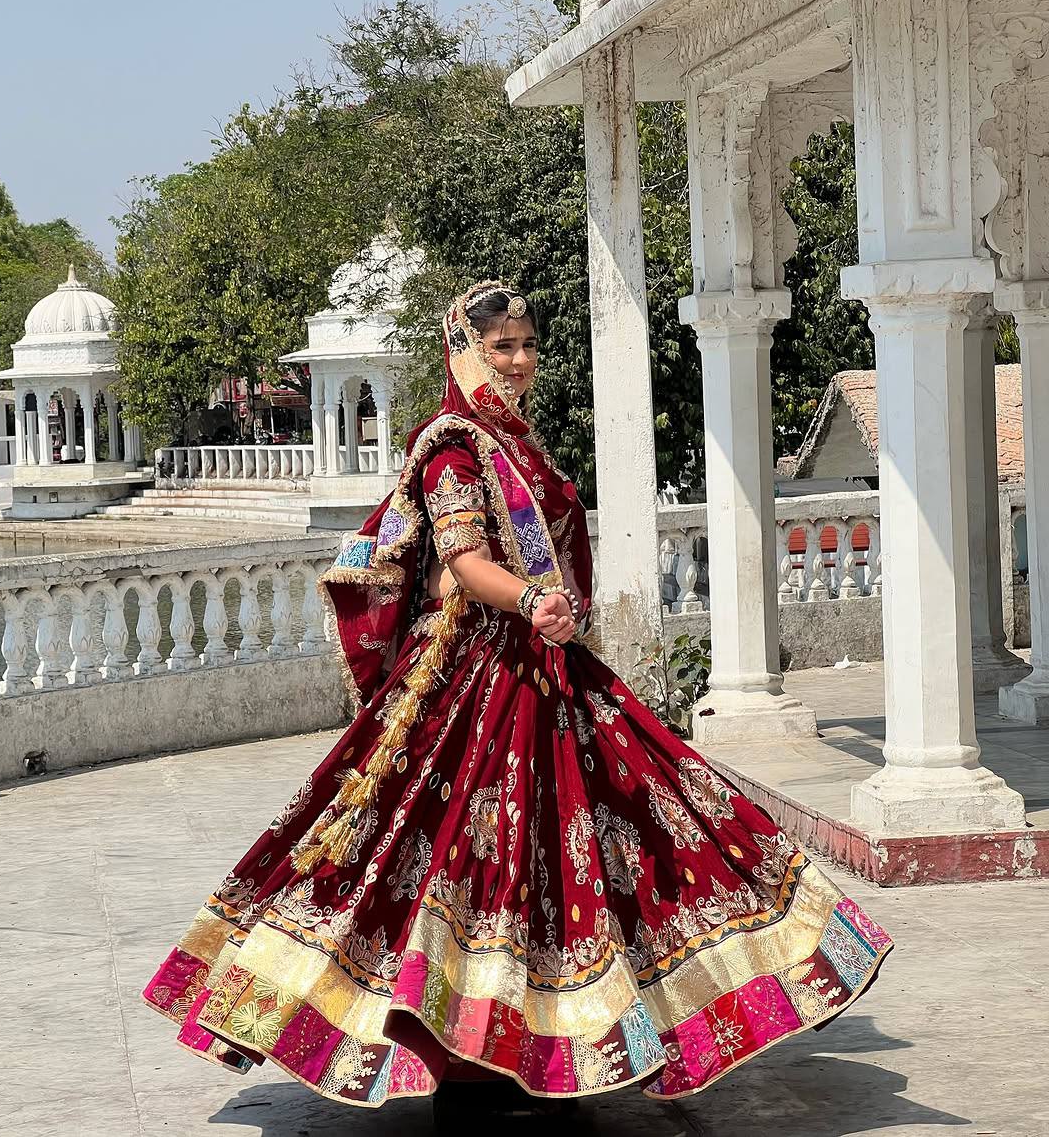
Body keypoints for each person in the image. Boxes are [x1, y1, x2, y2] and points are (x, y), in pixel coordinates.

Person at [143, 282, 891, 1112]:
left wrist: (553, 612)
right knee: (458, 855)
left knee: (628, 823)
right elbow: (464, 558)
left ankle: (557, 1036)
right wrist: (531, 599)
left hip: (548, 665)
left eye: (528, 343)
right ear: (463, 350)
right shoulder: (452, 447)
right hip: (473, 674)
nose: (521, 360)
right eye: (503, 346)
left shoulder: (520, 443)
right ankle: (467, 1050)